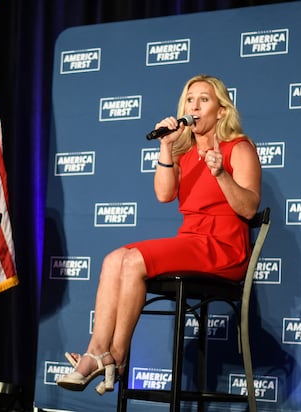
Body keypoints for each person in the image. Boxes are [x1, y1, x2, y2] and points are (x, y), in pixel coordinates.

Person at [56, 74, 262, 395]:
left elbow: (249, 208)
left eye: (203, 99)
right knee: (115, 259)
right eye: (190, 99)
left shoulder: (240, 148)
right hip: (191, 240)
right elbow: (164, 195)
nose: (194, 105)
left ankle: (116, 355)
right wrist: (167, 146)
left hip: (223, 248)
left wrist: (221, 173)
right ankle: (99, 351)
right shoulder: (184, 152)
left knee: (135, 261)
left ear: (221, 110)